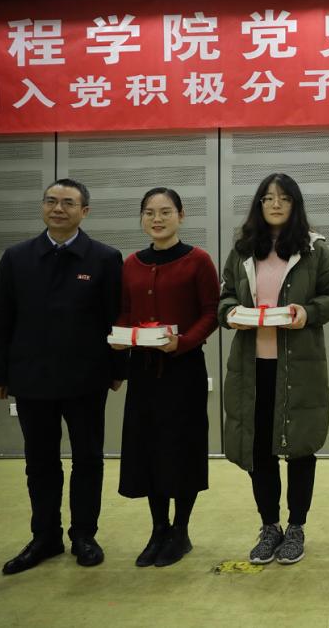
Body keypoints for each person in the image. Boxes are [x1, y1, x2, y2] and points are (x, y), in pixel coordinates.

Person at [0, 179, 125, 575]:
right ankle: (45, 536)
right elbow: (1, 319)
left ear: (85, 211)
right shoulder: (16, 257)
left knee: (88, 459)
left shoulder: (104, 258)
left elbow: (116, 317)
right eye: (51, 201)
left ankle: (84, 535)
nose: (58, 209)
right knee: (40, 461)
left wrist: (119, 369)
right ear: (43, 207)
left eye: (68, 203)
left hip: (86, 378)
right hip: (31, 378)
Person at [218, 173, 329, 565]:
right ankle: (269, 526)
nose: (275, 204)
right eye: (268, 198)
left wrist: (307, 312)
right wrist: (231, 313)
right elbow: (224, 297)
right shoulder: (242, 249)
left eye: (284, 198)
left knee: (300, 447)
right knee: (259, 450)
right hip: (252, 368)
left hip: (299, 366)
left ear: (295, 205)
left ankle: (296, 527)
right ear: (259, 205)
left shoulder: (314, 249)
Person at [111, 188, 219, 567]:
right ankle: (158, 529)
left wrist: (183, 342)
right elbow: (125, 311)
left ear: (181, 215)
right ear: (142, 218)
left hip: (183, 370)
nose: (157, 219)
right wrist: (119, 336)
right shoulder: (132, 264)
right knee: (148, 448)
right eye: (149, 212)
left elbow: (211, 313)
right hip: (143, 371)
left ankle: (181, 531)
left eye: (165, 212)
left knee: (182, 448)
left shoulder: (198, 260)